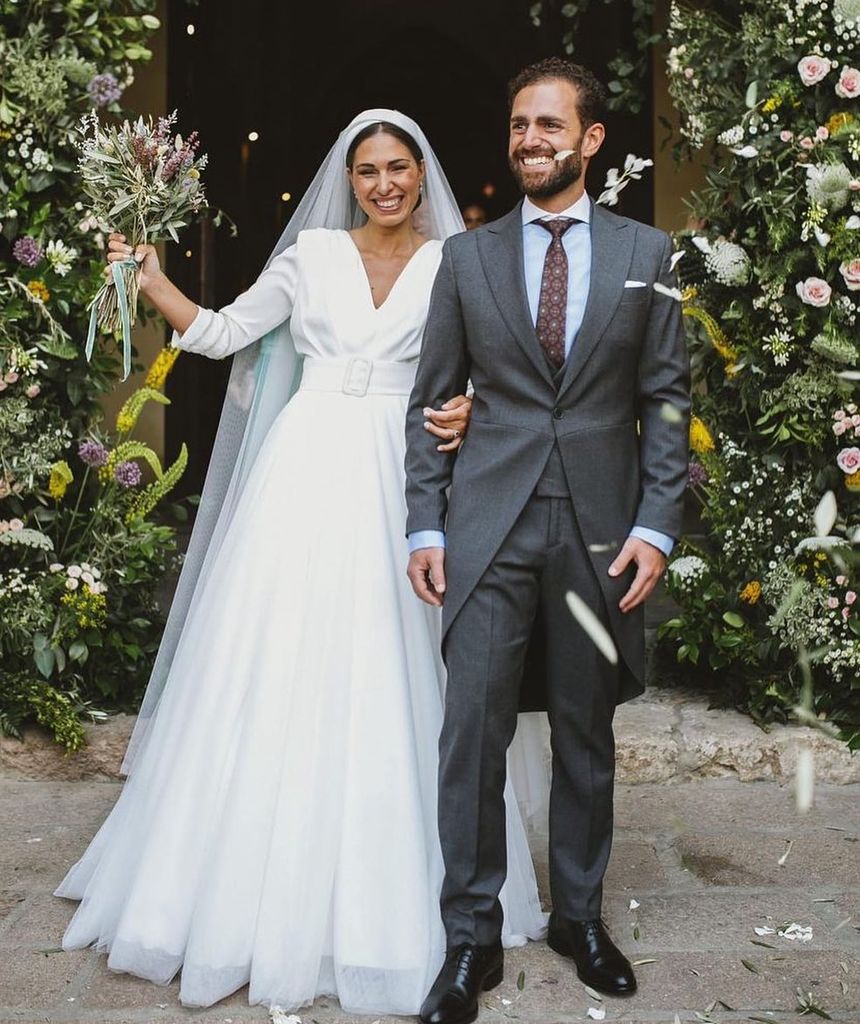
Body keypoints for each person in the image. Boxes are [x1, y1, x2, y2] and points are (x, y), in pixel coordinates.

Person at [55, 110, 546, 1015]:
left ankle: (424, 891)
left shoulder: (456, 261)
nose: (385, 184)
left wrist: (472, 409)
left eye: (399, 168)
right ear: (348, 177)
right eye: (368, 170)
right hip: (307, 467)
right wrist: (156, 281)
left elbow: (500, 369)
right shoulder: (311, 257)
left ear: (421, 173)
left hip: (408, 477)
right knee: (276, 659)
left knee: (399, 666)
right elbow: (223, 332)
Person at [405, 60, 691, 1024]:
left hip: (602, 536)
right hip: (488, 530)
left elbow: (665, 399)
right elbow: (428, 404)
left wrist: (656, 526)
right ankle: (469, 939)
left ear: (591, 139)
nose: (530, 139)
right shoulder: (466, 260)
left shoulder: (648, 251)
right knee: (471, 739)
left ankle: (580, 918)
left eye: (549, 124)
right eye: (519, 123)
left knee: (585, 737)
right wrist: (426, 520)